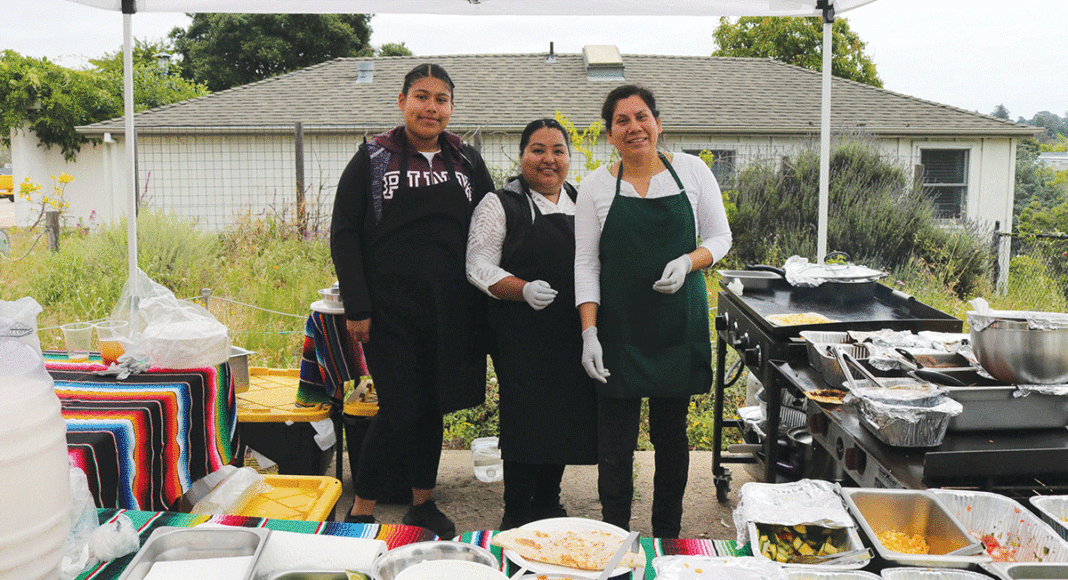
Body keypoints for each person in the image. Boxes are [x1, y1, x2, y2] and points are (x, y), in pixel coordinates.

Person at [330, 63, 495, 538]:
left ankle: (423, 503)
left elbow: (490, 224)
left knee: (433, 404)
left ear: (450, 108)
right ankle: (361, 509)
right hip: (389, 310)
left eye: (441, 99)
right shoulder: (372, 157)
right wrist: (358, 306)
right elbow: (344, 234)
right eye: (421, 96)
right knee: (400, 406)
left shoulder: (466, 160)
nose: (431, 107)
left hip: (451, 308)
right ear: (402, 102)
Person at [574, 85, 732, 538]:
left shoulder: (693, 171)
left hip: (675, 328)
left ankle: (667, 534)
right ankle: (614, 535)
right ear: (609, 135)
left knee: (671, 436)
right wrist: (590, 333)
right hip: (619, 331)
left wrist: (688, 261)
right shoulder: (596, 186)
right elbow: (586, 263)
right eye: (622, 121)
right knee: (615, 445)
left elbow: (720, 239)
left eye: (641, 117)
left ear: (658, 124)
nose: (634, 127)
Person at [466, 118, 598, 529]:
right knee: (526, 420)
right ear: (522, 156)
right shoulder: (499, 203)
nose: (548, 159)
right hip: (520, 335)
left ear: (568, 159)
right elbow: (477, 265)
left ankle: (549, 501)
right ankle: (517, 509)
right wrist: (521, 288)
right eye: (538, 150)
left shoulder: (582, 202)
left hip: (571, 330)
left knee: (564, 415)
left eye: (558, 150)